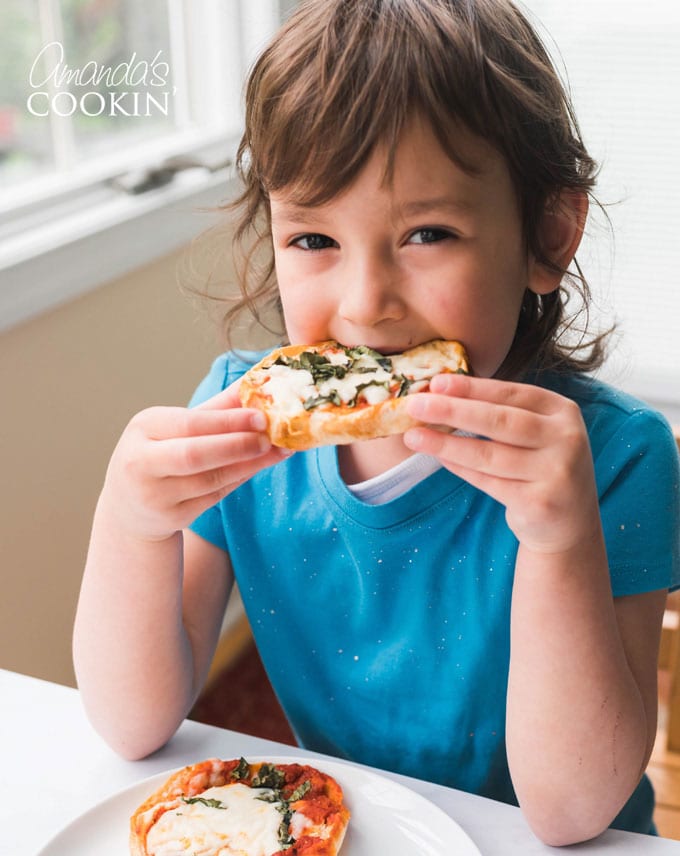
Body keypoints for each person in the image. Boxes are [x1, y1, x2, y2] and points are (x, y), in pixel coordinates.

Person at [73, 0, 680, 845]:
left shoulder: (612, 458)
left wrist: (557, 541)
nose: (365, 305)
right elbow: (131, 724)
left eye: (427, 232)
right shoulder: (238, 421)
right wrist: (129, 523)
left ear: (547, 234)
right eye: (315, 239)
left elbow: (573, 812)